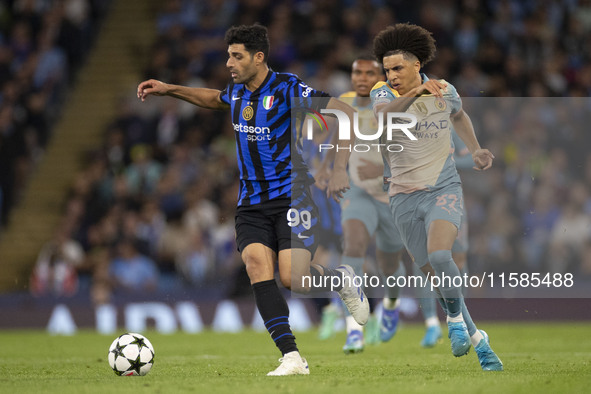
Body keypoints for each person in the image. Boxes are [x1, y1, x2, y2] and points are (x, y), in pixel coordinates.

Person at [137, 24, 369, 376]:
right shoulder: (238, 92)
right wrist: (169, 89)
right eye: (229, 55)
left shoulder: (289, 88)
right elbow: (213, 98)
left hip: (292, 197)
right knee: (257, 267)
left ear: (259, 57)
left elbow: (345, 114)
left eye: (237, 56)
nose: (229, 62)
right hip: (251, 204)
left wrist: (339, 169)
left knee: (293, 279)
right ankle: (292, 356)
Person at [329, 23, 503, 371]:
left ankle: (453, 322)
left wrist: (477, 149)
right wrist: (420, 92)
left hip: (443, 189)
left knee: (441, 256)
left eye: (398, 68)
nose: (390, 75)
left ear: (416, 66)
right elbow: (385, 117)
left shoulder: (444, 91)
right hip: (402, 198)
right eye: (388, 69)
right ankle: (479, 341)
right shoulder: (383, 94)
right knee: (432, 276)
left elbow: (459, 114)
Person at [316, 56, 407, 353]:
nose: (363, 78)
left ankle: (391, 304)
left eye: (370, 73)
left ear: (380, 77)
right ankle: (353, 330)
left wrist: (384, 172)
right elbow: (338, 135)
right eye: (358, 73)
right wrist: (327, 167)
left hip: (391, 191)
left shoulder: (394, 103)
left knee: (389, 264)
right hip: (357, 190)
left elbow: (408, 148)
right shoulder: (344, 102)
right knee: (352, 247)